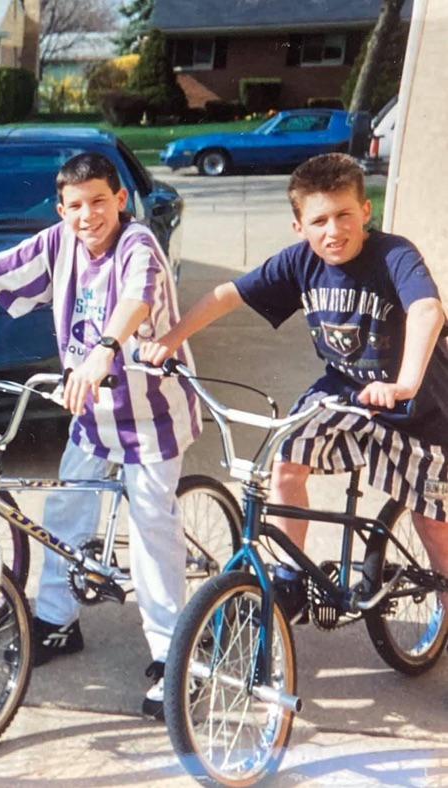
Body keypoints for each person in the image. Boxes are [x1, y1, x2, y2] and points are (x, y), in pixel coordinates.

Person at [0, 152, 201, 719]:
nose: (88, 215)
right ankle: (57, 620)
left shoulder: (137, 244)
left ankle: (172, 654)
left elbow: (137, 300)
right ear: (61, 209)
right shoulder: (60, 242)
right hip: (91, 409)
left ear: (121, 200)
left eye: (99, 202)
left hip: (150, 412)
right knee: (64, 511)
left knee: (150, 526)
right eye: (75, 205)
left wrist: (105, 350)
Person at [141, 152, 448, 624]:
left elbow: (428, 311)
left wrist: (404, 383)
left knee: (431, 521)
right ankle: (291, 579)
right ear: (298, 226)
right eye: (319, 220)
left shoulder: (393, 255)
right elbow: (228, 295)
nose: (333, 231)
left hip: (418, 404)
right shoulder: (300, 261)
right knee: (287, 460)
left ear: (366, 211)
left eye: (344, 215)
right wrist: (170, 340)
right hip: (345, 390)